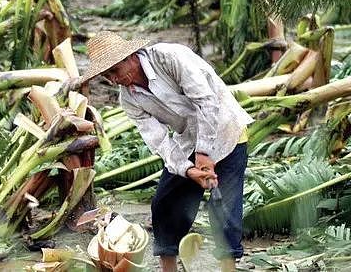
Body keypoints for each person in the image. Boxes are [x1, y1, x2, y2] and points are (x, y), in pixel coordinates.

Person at [81, 31, 252, 272]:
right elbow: (159, 141)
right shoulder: (129, 99)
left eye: (114, 72)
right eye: (106, 76)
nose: (113, 80)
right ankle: (168, 268)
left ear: (129, 57)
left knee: (224, 207)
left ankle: (228, 268)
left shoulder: (169, 58)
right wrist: (188, 169)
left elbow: (207, 102)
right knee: (165, 203)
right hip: (188, 141)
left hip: (226, 131)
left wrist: (204, 153)